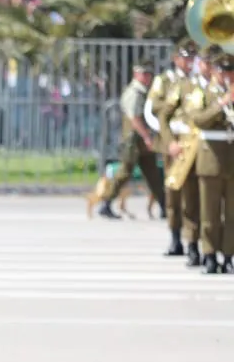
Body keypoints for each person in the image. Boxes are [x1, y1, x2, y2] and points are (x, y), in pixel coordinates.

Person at [183, 52, 234, 274]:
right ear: (214, 71)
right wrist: (222, 103)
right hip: (210, 158)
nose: (227, 76)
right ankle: (210, 254)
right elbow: (198, 119)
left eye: (230, 72)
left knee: (231, 214)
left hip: (232, 159)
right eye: (223, 72)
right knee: (209, 213)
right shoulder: (202, 93)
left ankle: (229, 255)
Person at [98, 61, 166, 221]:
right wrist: (147, 137)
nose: (147, 77)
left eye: (149, 74)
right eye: (144, 74)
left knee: (153, 174)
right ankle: (106, 203)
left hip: (141, 141)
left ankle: (165, 206)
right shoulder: (134, 93)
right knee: (124, 172)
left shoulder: (144, 92)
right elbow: (134, 119)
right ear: (136, 74)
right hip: (133, 141)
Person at [150, 41, 200, 257]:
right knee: (173, 191)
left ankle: (193, 240)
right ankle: (175, 238)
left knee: (193, 192)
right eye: (185, 58)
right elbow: (154, 106)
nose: (189, 62)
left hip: (194, 140)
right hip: (173, 140)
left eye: (192, 58)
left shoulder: (199, 80)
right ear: (176, 59)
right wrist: (176, 101)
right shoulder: (165, 80)